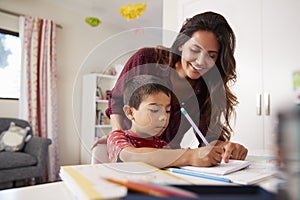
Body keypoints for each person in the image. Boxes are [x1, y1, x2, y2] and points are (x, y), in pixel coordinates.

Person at [93, 11, 248, 162]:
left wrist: (225, 147)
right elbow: (117, 101)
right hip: (134, 155)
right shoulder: (146, 59)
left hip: (170, 161)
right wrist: (119, 137)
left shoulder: (207, 88)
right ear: (181, 45)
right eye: (195, 50)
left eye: (211, 55)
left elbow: (208, 139)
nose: (201, 61)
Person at [107, 75, 223, 168]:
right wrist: (190, 156)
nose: (163, 117)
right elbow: (132, 156)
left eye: (167, 111)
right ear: (130, 112)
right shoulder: (117, 138)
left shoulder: (163, 146)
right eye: (154, 110)